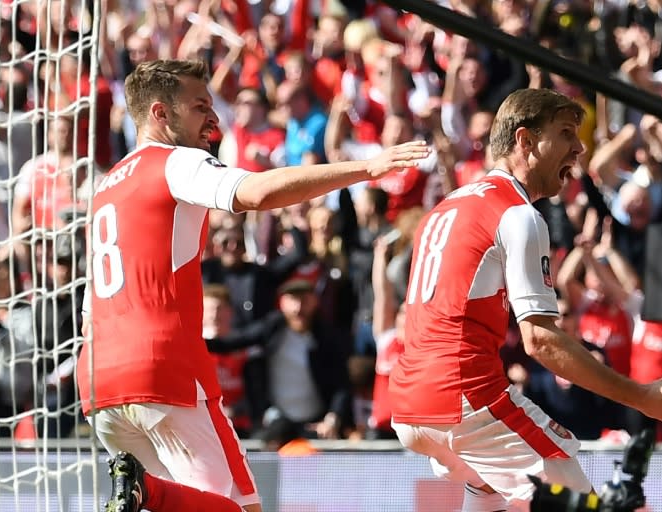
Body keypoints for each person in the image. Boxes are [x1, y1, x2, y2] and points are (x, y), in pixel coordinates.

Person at [76, 59, 429, 512]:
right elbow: (258, 193)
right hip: (162, 371)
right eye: (200, 105)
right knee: (240, 508)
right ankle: (149, 490)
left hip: (100, 382)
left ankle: (147, 492)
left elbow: (90, 305)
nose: (214, 118)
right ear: (160, 114)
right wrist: (366, 169)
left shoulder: (106, 188)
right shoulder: (174, 162)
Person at [388, 88, 662, 512]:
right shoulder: (517, 214)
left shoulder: (445, 206)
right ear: (525, 141)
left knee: (487, 492)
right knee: (588, 505)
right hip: (464, 399)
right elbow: (540, 341)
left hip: (412, 405)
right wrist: (640, 396)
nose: (580, 148)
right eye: (566, 134)